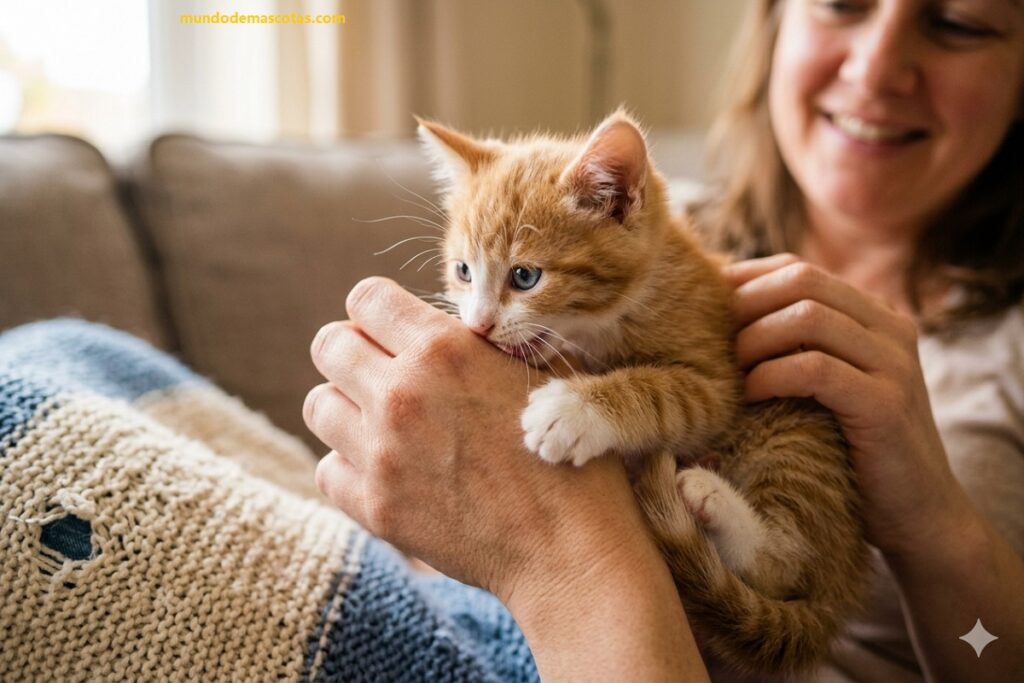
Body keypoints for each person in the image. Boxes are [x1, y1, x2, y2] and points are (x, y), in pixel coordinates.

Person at [305, 0, 1024, 681]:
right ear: (775, 23)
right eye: (840, 2)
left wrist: (937, 522)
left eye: (958, 23)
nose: (875, 69)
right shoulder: (641, 236)